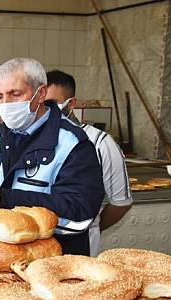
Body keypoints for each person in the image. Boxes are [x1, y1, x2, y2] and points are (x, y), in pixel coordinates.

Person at [0, 58, 105, 255]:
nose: (6, 104)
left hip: (55, 258)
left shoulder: (72, 143)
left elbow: (79, 209)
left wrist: (4, 198)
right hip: (3, 253)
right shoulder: (2, 135)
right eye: (0, 97)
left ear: (41, 93)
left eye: (15, 94)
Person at [46, 69, 133, 257]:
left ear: (72, 104)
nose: (48, 110)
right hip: (40, 245)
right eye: (43, 104)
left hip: (80, 249)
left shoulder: (100, 143)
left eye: (53, 103)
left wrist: (91, 225)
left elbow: (121, 202)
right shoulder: (38, 140)